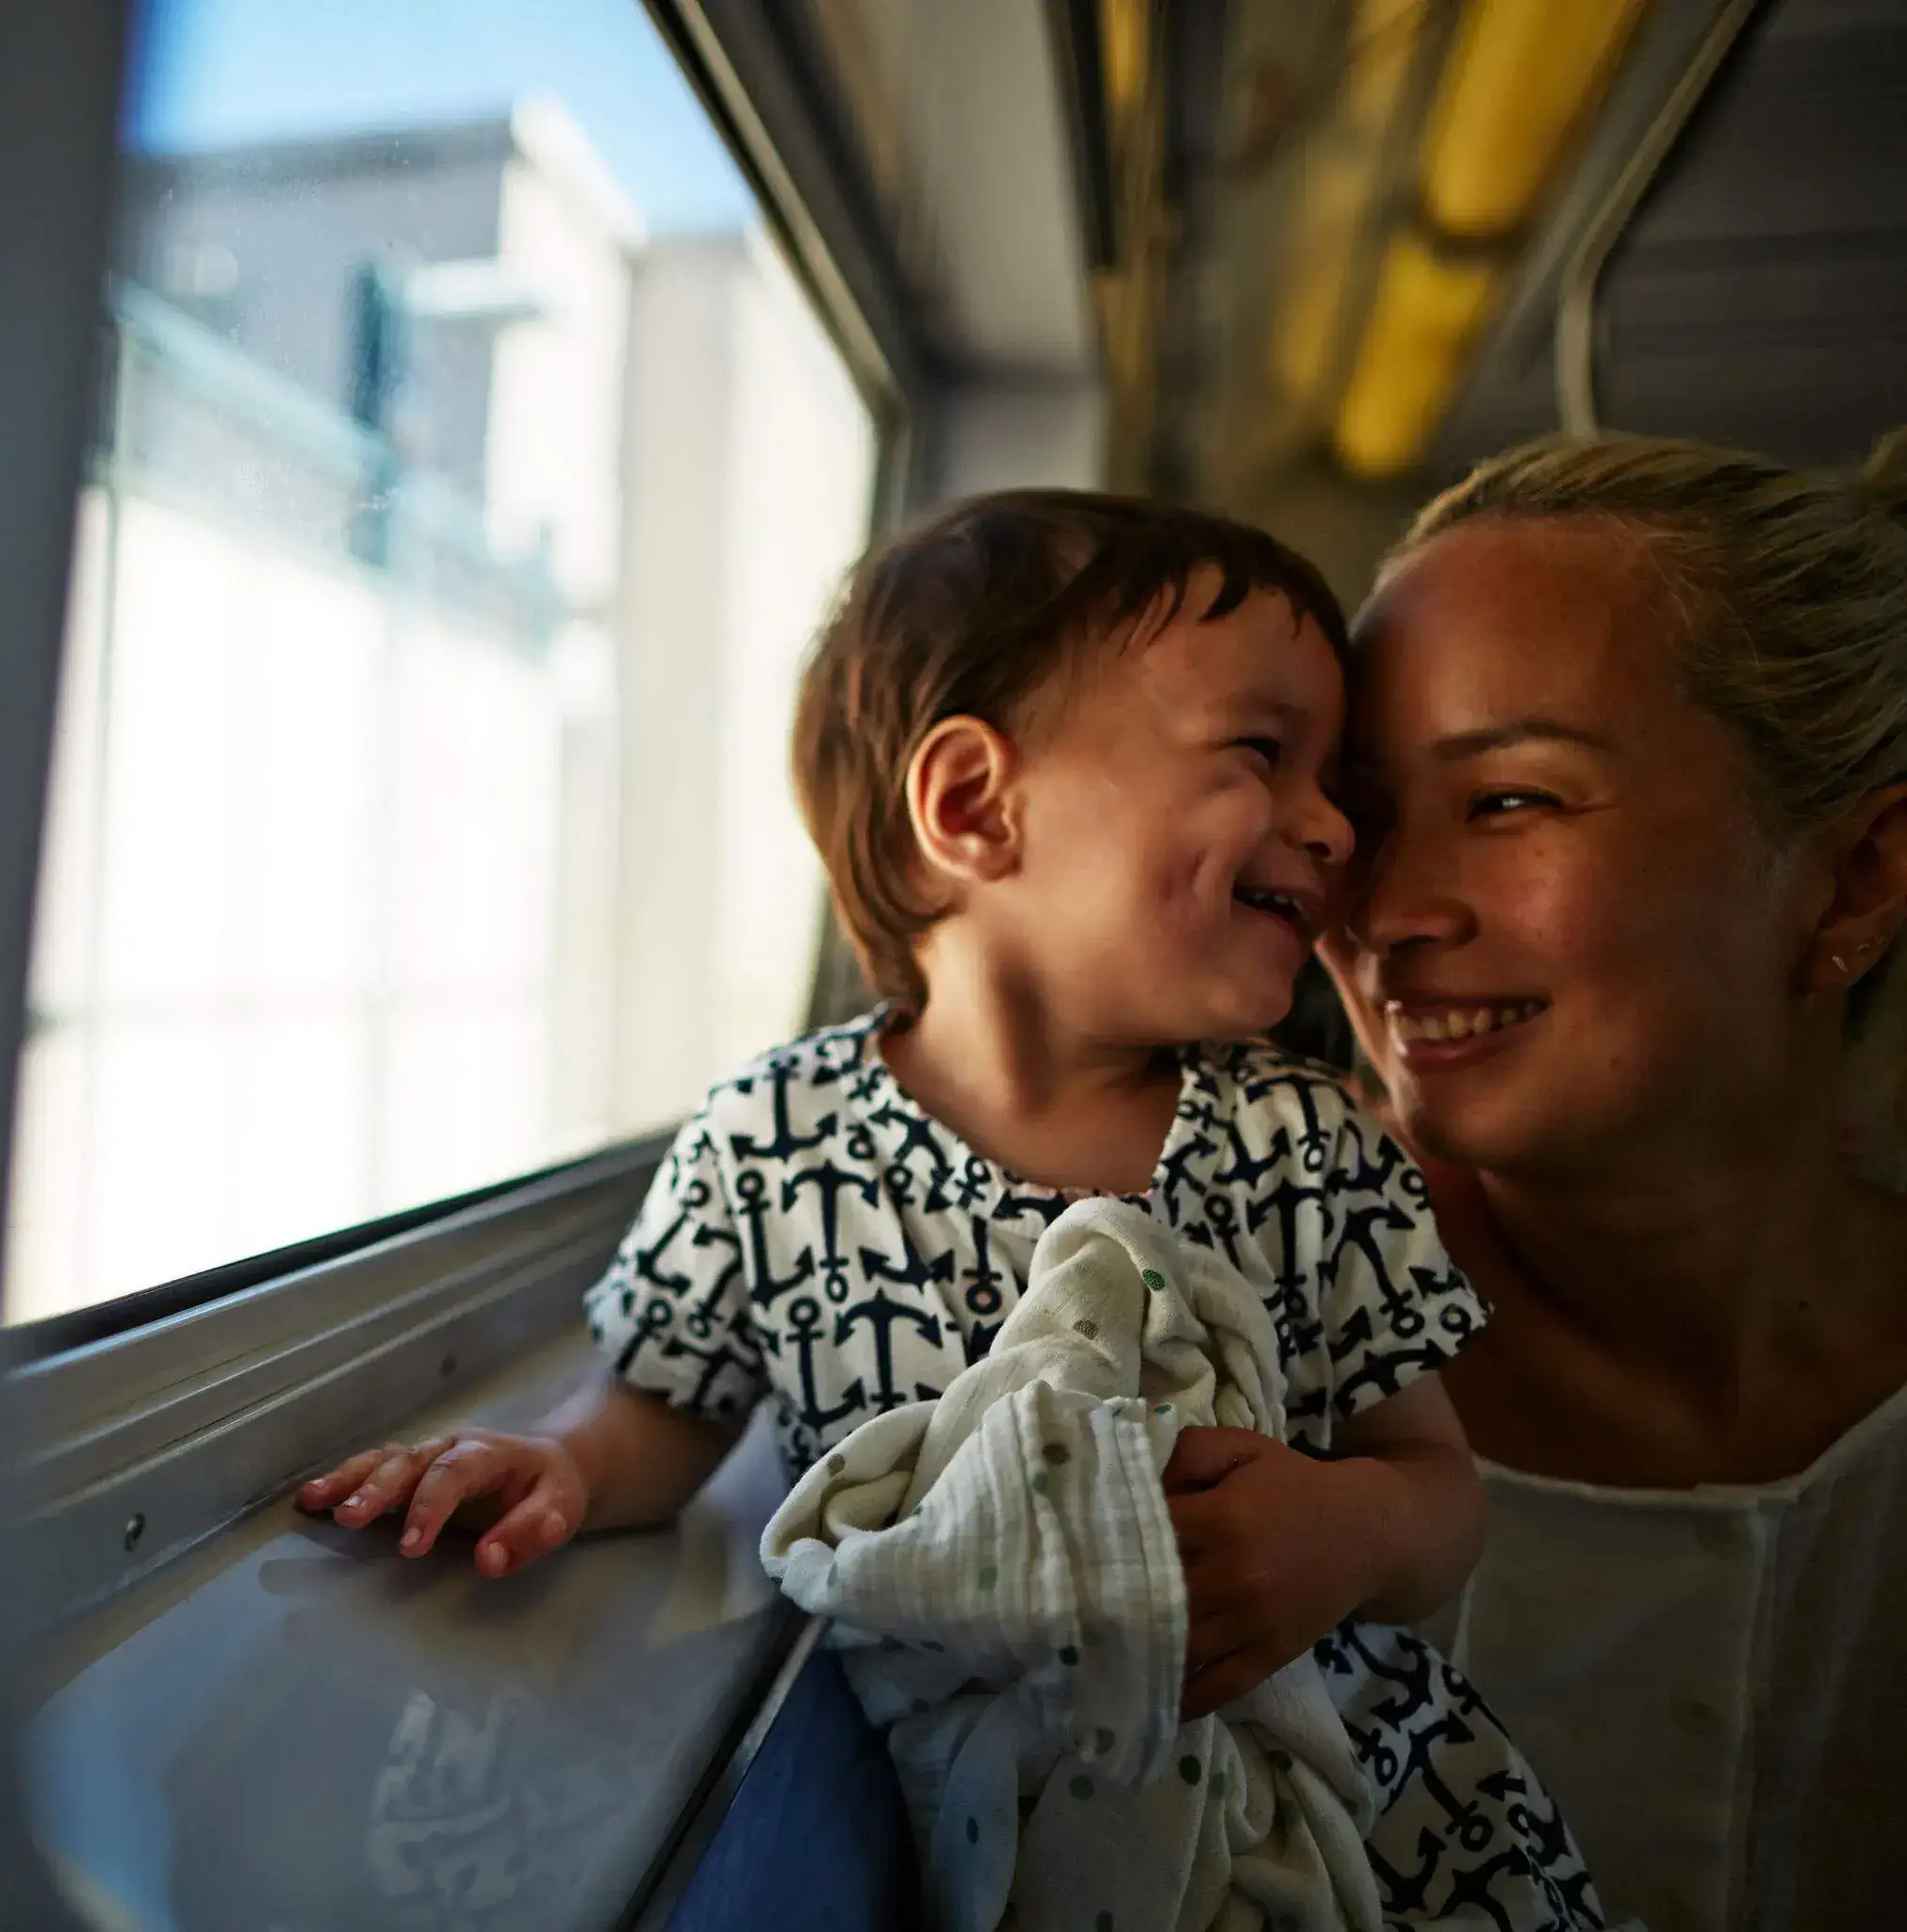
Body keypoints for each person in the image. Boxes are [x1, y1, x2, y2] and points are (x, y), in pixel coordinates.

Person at [295, 497, 1602, 1911]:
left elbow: (1438, 1493)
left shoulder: (1305, 1143)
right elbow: (660, 1417)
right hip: (971, 1827)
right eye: (1260, 753)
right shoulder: (770, 1146)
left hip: (1344, 1808)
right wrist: (556, 1467)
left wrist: (1342, 1536)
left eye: (1328, 776)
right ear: (977, 804)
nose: (1332, 826)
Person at [1317, 429, 1907, 1932]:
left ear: (1854, 877)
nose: (1382, 908)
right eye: (1364, 813)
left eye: (1512, 800)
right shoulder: (1265, 1368)